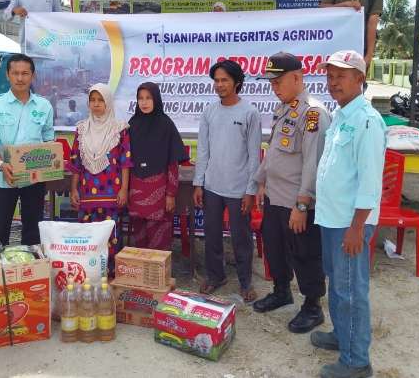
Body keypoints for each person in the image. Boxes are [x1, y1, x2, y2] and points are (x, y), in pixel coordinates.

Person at [311, 50, 387, 378]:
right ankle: (342, 336)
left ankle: (357, 362)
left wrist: (357, 228)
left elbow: (370, 182)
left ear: (360, 79)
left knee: (351, 292)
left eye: (341, 76)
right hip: (331, 218)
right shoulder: (341, 115)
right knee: (337, 284)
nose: (333, 82)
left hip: (349, 223)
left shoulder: (366, 121)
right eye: (330, 76)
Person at [251, 53, 330, 334]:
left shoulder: (313, 113)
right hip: (275, 196)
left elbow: (313, 163)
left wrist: (303, 204)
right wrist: (261, 181)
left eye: (278, 81)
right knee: (275, 248)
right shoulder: (285, 108)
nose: (274, 87)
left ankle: (312, 306)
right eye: (271, 82)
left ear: (297, 77)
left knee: (305, 253)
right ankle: (281, 291)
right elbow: (274, 151)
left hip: (297, 202)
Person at [193, 60, 261, 303]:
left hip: (238, 189)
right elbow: (203, 150)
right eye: (217, 80)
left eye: (225, 80)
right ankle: (216, 276)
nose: (220, 85)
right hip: (212, 186)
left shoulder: (249, 113)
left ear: (237, 83)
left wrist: (250, 191)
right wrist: (198, 183)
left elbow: (254, 155)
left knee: (241, 238)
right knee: (211, 235)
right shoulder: (209, 112)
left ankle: (245, 282)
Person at [0, 54, 54, 250]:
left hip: (33, 178)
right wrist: (0, 164)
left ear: (33, 76)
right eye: (15, 73)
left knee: (33, 230)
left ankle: (31, 265)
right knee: (0, 230)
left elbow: (48, 138)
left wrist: (50, 164)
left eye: (25, 73)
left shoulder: (44, 106)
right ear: (8, 75)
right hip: (3, 177)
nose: (20, 78)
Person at [68, 84, 132, 265]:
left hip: (112, 193)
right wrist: (74, 189)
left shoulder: (119, 129)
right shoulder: (82, 129)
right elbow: (76, 161)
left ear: (108, 103)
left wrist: (124, 189)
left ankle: (110, 273)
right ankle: (88, 272)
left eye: (100, 100)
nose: (96, 104)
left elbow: (125, 162)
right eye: (92, 100)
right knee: (88, 236)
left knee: (111, 236)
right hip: (87, 192)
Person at [128, 82, 188, 250]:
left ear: (156, 99)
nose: (144, 102)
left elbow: (173, 163)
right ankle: (141, 266)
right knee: (139, 241)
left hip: (159, 192)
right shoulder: (132, 124)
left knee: (159, 242)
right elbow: (126, 162)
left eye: (148, 98)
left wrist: (171, 194)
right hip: (136, 191)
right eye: (140, 98)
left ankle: (157, 268)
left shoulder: (166, 125)